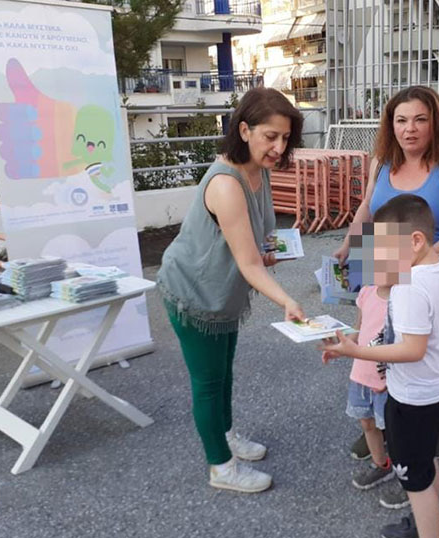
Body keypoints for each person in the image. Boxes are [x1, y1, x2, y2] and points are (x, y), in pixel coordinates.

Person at [332, 85, 439, 510]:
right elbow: (367, 211)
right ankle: (384, 424)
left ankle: (431, 428)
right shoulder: (384, 162)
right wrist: (349, 245)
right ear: (389, 125)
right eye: (400, 120)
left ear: (435, 122)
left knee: (430, 355)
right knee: (380, 346)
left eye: (419, 119)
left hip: (433, 274)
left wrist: (414, 265)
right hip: (385, 271)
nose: (409, 129)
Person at [157, 87, 305, 493]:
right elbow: (249, 263)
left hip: (224, 292)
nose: (278, 147)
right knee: (208, 382)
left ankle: (225, 436)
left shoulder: (259, 170)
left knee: (223, 376)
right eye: (270, 136)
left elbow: (255, 241)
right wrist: (287, 300)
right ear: (244, 130)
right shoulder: (226, 183)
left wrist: (270, 249)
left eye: (285, 138)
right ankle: (221, 467)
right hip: (194, 293)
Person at [322, 194, 439, 538]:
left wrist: (353, 350)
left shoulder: (408, 287)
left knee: (414, 478)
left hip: (411, 397)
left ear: (415, 241)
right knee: (425, 459)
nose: (379, 261)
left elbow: (412, 350)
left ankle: (428, 531)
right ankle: (426, 523)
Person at [344, 281, 395, 492]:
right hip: (361, 373)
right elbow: (358, 327)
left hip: (388, 379)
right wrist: (341, 345)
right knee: (366, 422)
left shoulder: (403, 299)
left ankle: (406, 470)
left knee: (394, 430)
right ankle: (381, 464)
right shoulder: (366, 292)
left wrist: (390, 377)